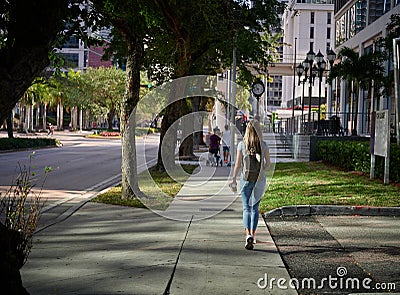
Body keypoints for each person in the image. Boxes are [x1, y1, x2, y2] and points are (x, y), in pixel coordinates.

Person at [229, 120, 271, 250]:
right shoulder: (263, 145)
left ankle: (247, 235)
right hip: (260, 179)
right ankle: (253, 235)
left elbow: (237, 165)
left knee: (246, 208)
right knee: (255, 209)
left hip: (245, 179)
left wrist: (234, 179)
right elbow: (268, 165)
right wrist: (261, 167)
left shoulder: (242, 145)